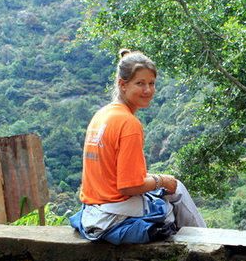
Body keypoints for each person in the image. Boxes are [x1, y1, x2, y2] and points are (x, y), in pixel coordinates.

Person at [71, 49, 206, 244]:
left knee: (175, 189)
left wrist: (158, 180)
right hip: (113, 210)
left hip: (94, 206)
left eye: (151, 83)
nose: (148, 90)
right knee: (172, 198)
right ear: (122, 85)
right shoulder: (128, 123)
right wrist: (161, 180)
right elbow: (129, 186)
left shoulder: (102, 114)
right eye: (140, 83)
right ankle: (205, 245)